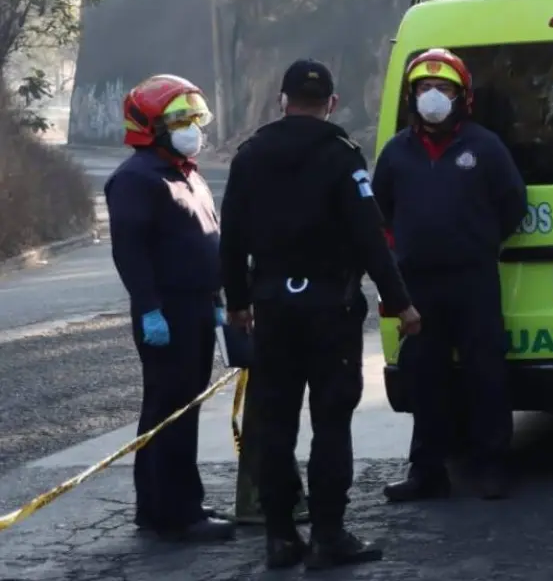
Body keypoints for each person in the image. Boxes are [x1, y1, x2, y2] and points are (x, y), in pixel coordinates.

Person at [219, 59, 421, 570]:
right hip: (331, 309)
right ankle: (329, 535)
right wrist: (401, 303)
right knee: (331, 421)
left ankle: (281, 537)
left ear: (281, 100)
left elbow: (232, 240)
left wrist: (238, 302)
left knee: (274, 421)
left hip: (272, 310)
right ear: (331, 103)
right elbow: (371, 240)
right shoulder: (341, 156)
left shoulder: (249, 156)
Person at [375, 49, 528, 503]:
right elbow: (378, 211)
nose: (434, 97)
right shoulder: (396, 152)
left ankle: (492, 466)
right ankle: (426, 472)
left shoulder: (484, 146)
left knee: (486, 373)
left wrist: (479, 241)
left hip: (474, 279)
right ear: (412, 96)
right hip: (417, 286)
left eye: (444, 89)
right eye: (425, 89)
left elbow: (513, 205)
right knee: (425, 378)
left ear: (462, 97)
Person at [104, 74, 236, 543]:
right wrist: (149, 310)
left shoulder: (186, 172)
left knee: (184, 408)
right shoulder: (135, 179)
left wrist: (217, 300)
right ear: (150, 125)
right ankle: (176, 515)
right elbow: (130, 252)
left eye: (194, 117)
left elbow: (206, 240)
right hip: (167, 313)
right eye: (179, 118)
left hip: (198, 307)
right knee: (169, 411)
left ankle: (171, 503)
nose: (192, 126)